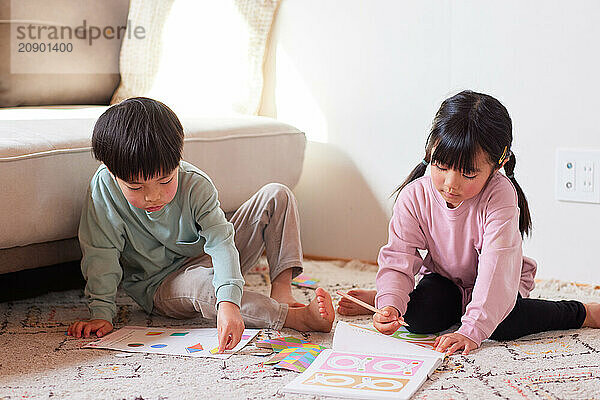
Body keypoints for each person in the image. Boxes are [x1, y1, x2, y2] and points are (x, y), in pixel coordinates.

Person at [337, 90, 600, 355]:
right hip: (446, 279)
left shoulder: (500, 195)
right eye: (441, 166)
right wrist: (391, 304)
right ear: (430, 152)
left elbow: (495, 269)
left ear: (499, 165)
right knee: (418, 320)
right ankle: (389, 299)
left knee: (501, 324)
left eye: (468, 173)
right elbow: (398, 257)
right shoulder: (414, 195)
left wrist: (471, 331)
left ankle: (583, 312)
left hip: (499, 280)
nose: (451, 184)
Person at [67, 97, 334, 351]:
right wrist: (101, 312)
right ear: (113, 173)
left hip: (204, 255)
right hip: (160, 284)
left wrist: (228, 299)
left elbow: (220, 241)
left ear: (178, 160)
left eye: (165, 180)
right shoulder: (103, 189)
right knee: (205, 284)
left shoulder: (195, 184)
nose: (153, 196)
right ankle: (295, 319)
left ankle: (282, 292)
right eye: (136, 187)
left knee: (277, 195)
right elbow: (101, 253)